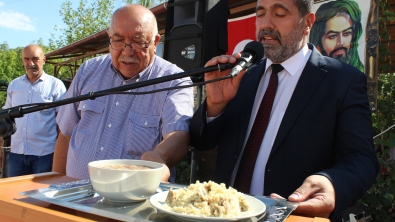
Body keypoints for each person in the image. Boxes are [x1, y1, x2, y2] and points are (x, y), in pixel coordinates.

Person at [189, 0, 379, 221]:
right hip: (225, 213)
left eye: (279, 14)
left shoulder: (342, 81)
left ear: (307, 23)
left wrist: (332, 183)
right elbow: (201, 141)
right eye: (260, 14)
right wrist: (215, 105)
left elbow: (361, 158)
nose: (266, 24)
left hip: (291, 215)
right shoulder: (243, 76)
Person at [53, 4, 194, 182]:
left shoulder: (174, 81)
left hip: (130, 206)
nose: (127, 51)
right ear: (109, 38)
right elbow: (66, 133)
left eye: (138, 41)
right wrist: (55, 185)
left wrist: (161, 156)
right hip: (73, 197)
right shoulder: (88, 70)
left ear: (155, 41)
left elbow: (178, 134)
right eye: (118, 40)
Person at [1, 44, 66, 177]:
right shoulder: (14, 85)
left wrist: (62, 153)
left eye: (35, 58)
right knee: (14, 194)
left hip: (45, 154)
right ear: (22, 61)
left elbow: (63, 123)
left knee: (41, 194)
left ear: (44, 60)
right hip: (16, 153)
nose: (31, 63)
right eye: (26, 59)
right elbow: (5, 119)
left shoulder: (55, 85)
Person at [309, 0, 364, 73]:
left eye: (346, 34)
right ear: (318, 43)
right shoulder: (309, 76)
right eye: (332, 36)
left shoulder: (358, 75)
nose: (340, 42)